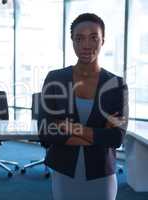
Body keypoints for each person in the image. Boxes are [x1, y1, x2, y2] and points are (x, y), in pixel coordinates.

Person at [38, 13, 129, 200]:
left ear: (103, 40)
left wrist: (71, 128)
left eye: (93, 37)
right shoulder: (55, 79)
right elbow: (46, 132)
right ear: (72, 41)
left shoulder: (116, 84)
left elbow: (116, 138)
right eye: (79, 38)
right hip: (64, 171)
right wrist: (98, 133)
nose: (86, 45)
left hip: (101, 173)